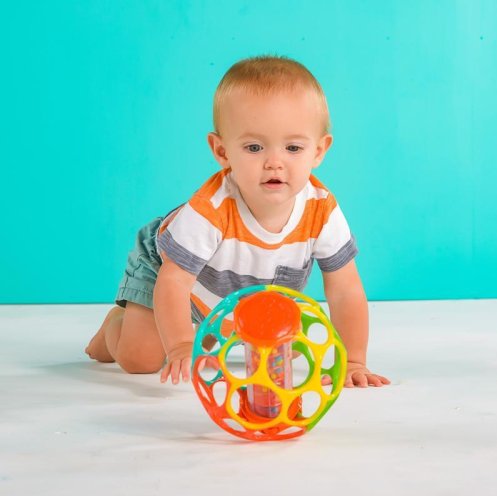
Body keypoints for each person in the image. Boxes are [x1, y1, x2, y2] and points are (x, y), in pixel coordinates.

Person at [85, 54, 390, 389]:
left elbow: (345, 290)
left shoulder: (321, 210)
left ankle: (200, 331)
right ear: (222, 151)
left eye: (292, 148)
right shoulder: (211, 210)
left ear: (318, 151)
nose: (274, 162)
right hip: (169, 271)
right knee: (140, 358)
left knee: (275, 354)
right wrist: (180, 345)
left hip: (228, 294)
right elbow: (174, 282)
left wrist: (353, 360)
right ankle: (114, 327)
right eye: (254, 147)